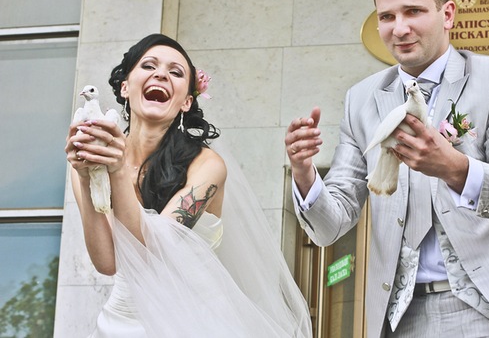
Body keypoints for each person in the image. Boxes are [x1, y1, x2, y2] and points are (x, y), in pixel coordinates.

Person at [285, 0, 489, 338]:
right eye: (387, 16)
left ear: (447, 14)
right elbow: (331, 225)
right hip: (401, 315)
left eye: (413, 11)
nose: (399, 29)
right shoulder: (361, 99)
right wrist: (303, 173)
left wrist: (454, 167)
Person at [66, 33, 312, 338]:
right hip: (121, 321)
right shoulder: (93, 159)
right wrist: (86, 175)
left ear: (186, 101)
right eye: (149, 66)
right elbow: (107, 263)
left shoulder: (208, 166)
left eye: (176, 72)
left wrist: (115, 172)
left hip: (196, 321)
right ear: (125, 87)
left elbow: (152, 254)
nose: (161, 74)